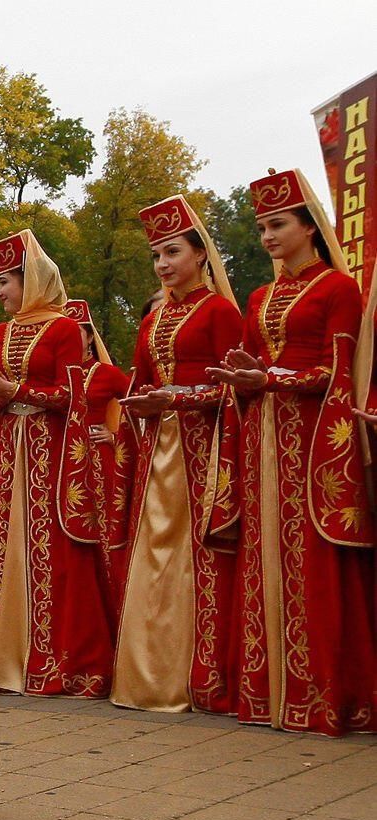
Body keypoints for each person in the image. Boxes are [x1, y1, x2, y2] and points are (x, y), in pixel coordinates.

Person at [210, 168, 374, 735]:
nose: (267, 237)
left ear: (310, 226)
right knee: (265, 553)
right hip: (262, 437)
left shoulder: (337, 288)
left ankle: (324, 694)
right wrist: (241, 378)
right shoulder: (259, 295)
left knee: (312, 558)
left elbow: (338, 371)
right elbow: (250, 362)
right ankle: (268, 693)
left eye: (278, 224)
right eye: (260, 228)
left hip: (309, 440)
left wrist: (272, 379)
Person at [109, 195, 244, 715]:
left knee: (192, 560)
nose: (163, 264)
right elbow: (142, 378)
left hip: (202, 453)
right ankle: (145, 675)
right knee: (153, 555)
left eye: (172, 252)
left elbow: (230, 392)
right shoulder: (153, 319)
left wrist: (177, 398)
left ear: (201, 255)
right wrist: (143, 403)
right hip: (157, 450)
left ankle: (196, 676)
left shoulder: (220, 312)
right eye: (156, 256)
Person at [0, 230, 114, 698]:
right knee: (7, 545)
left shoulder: (64, 329)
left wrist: (17, 393)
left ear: (30, 281)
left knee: (52, 549)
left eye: (6, 282)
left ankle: (60, 662)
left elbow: (74, 397)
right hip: (12, 451)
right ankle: (6, 660)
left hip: (51, 455)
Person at [57, 299, 138, 631]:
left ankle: (114, 619)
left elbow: (136, 406)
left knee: (101, 537)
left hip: (98, 465)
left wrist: (115, 435)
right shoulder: (54, 373)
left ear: (90, 337)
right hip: (62, 462)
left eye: (77, 333)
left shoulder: (106, 373)